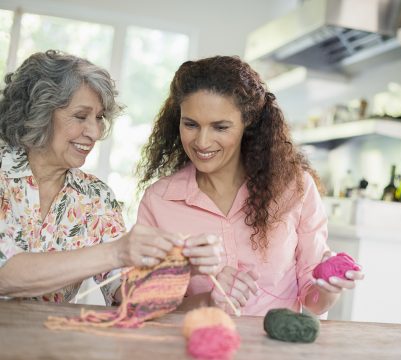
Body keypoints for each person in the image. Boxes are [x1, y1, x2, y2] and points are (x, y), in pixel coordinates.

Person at [136, 55, 364, 316]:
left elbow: (313, 301)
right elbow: (144, 306)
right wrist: (209, 300)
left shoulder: (295, 188)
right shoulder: (159, 201)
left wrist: (328, 288)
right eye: (191, 124)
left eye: (220, 127)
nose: (202, 141)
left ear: (248, 124)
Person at [0, 50, 222, 305]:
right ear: (38, 111)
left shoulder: (95, 197)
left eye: (99, 118)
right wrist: (116, 252)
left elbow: (128, 292)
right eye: (81, 116)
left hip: (49, 342)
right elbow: (4, 273)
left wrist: (180, 265)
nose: (94, 132)